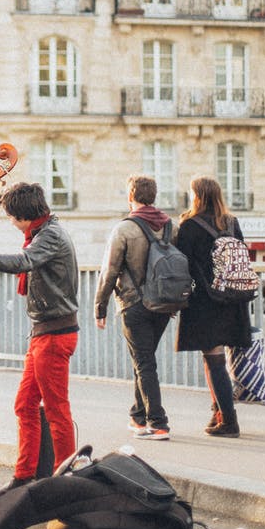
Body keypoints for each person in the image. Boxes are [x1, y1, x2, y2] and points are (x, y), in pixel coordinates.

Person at [0, 181, 79, 498]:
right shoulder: (42, 230)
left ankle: (67, 482)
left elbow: (22, 262)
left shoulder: (50, 237)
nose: (9, 221)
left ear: (23, 216)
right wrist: (1, 197)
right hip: (43, 332)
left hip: (54, 334)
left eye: (10, 216)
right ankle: (24, 477)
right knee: (25, 405)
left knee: (57, 411)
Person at [94, 175, 173, 440]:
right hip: (164, 303)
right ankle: (138, 416)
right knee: (144, 359)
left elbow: (109, 271)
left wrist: (100, 307)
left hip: (133, 303)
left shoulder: (124, 229)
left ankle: (158, 422)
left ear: (131, 196)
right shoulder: (170, 225)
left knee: (144, 362)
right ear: (153, 196)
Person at [175, 176, 252, 438]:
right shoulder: (231, 222)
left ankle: (229, 422)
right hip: (234, 298)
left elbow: (181, 263)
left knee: (214, 359)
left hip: (207, 300)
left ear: (197, 196)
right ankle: (218, 413)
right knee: (215, 359)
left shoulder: (189, 226)